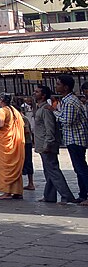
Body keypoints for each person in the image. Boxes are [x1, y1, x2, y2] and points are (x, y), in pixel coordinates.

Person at [32, 84, 77, 204]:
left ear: (43, 95)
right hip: (42, 144)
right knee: (49, 171)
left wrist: (48, 143)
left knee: (53, 171)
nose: (34, 93)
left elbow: (50, 128)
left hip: (46, 145)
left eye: (37, 92)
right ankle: (49, 196)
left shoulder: (46, 110)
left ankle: (66, 195)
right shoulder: (41, 108)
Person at [53, 74, 88, 203]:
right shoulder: (67, 100)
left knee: (81, 168)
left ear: (66, 87)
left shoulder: (70, 102)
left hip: (76, 139)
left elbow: (67, 121)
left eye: (58, 84)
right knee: (79, 168)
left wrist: (54, 112)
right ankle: (83, 195)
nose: (56, 86)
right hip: (72, 138)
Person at [0, 93, 25, 199]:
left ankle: (7, 192)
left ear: (1, 100)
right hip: (13, 142)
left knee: (4, 167)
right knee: (13, 167)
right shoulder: (14, 111)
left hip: (2, 144)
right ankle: (16, 191)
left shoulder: (2, 111)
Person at [19, 98, 36, 192]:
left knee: (28, 162)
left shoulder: (23, 119)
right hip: (22, 142)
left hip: (26, 142)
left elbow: (26, 131)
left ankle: (31, 183)